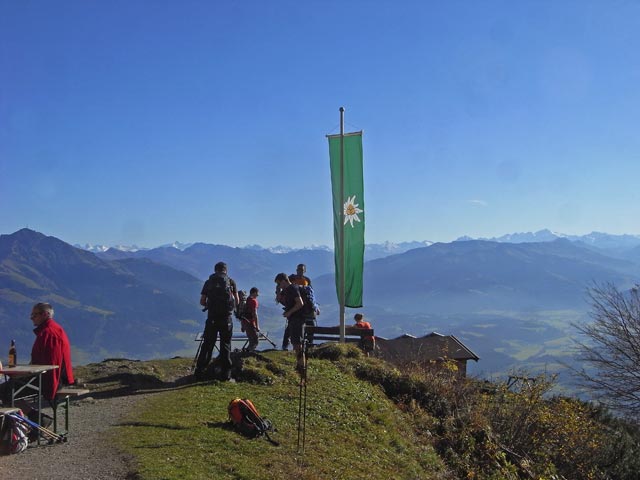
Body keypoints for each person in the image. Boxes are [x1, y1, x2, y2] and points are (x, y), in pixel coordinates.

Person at [1, 303, 74, 424]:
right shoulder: (51, 330)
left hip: (49, 379)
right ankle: (34, 420)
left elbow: (50, 363)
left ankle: (35, 420)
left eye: (34, 315)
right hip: (49, 377)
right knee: (7, 388)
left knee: (5, 390)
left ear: (45, 314)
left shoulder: (49, 333)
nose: (31, 318)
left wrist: (23, 374)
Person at [195, 262, 239, 380]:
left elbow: (202, 301)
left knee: (207, 345)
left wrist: (210, 305)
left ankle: (200, 371)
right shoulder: (231, 282)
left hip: (212, 318)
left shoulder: (209, 282)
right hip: (226, 319)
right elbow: (237, 301)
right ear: (226, 270)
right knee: (225, 345)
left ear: (215, 270)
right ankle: (225, 374)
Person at [274, 273, 306, 372]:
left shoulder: (293, 288)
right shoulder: (286, 290)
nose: (279, 286)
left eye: (279, 284)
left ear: (284, 281)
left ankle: (302, 366)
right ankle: (299, 364)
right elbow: (278, 300)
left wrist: (289, 312)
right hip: (292, 319)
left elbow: (300, 303)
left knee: (297, 343)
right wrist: (278, 291)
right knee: (295, 342)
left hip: (298, 319)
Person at [241, 287, 260, 352]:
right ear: (254, 292)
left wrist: (242, 325)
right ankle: (248, 354)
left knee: (251, 339)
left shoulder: (246, 300)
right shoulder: (253, 301)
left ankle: (247, 352)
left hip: (245, 322)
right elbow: (255, 314)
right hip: (251, 323)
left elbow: (243, 313)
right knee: (255, 341)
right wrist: (257, 326)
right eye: (257, 293)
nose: (258, 295)